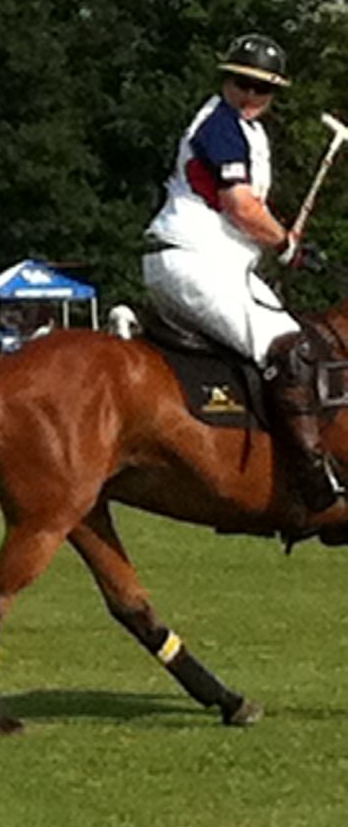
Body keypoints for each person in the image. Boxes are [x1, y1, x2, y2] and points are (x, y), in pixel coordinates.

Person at [143, 33, 343, 514]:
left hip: (218, 261)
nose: (251, 95)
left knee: (300, 338)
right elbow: (240, 207)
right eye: (242, 83)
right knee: (288, 348)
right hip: (190, 258)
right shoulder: (220, 127)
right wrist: (286, 243)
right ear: (226, 80)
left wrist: (279, 240)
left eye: (263, 89)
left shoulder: (247, 128)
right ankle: (310, 474)